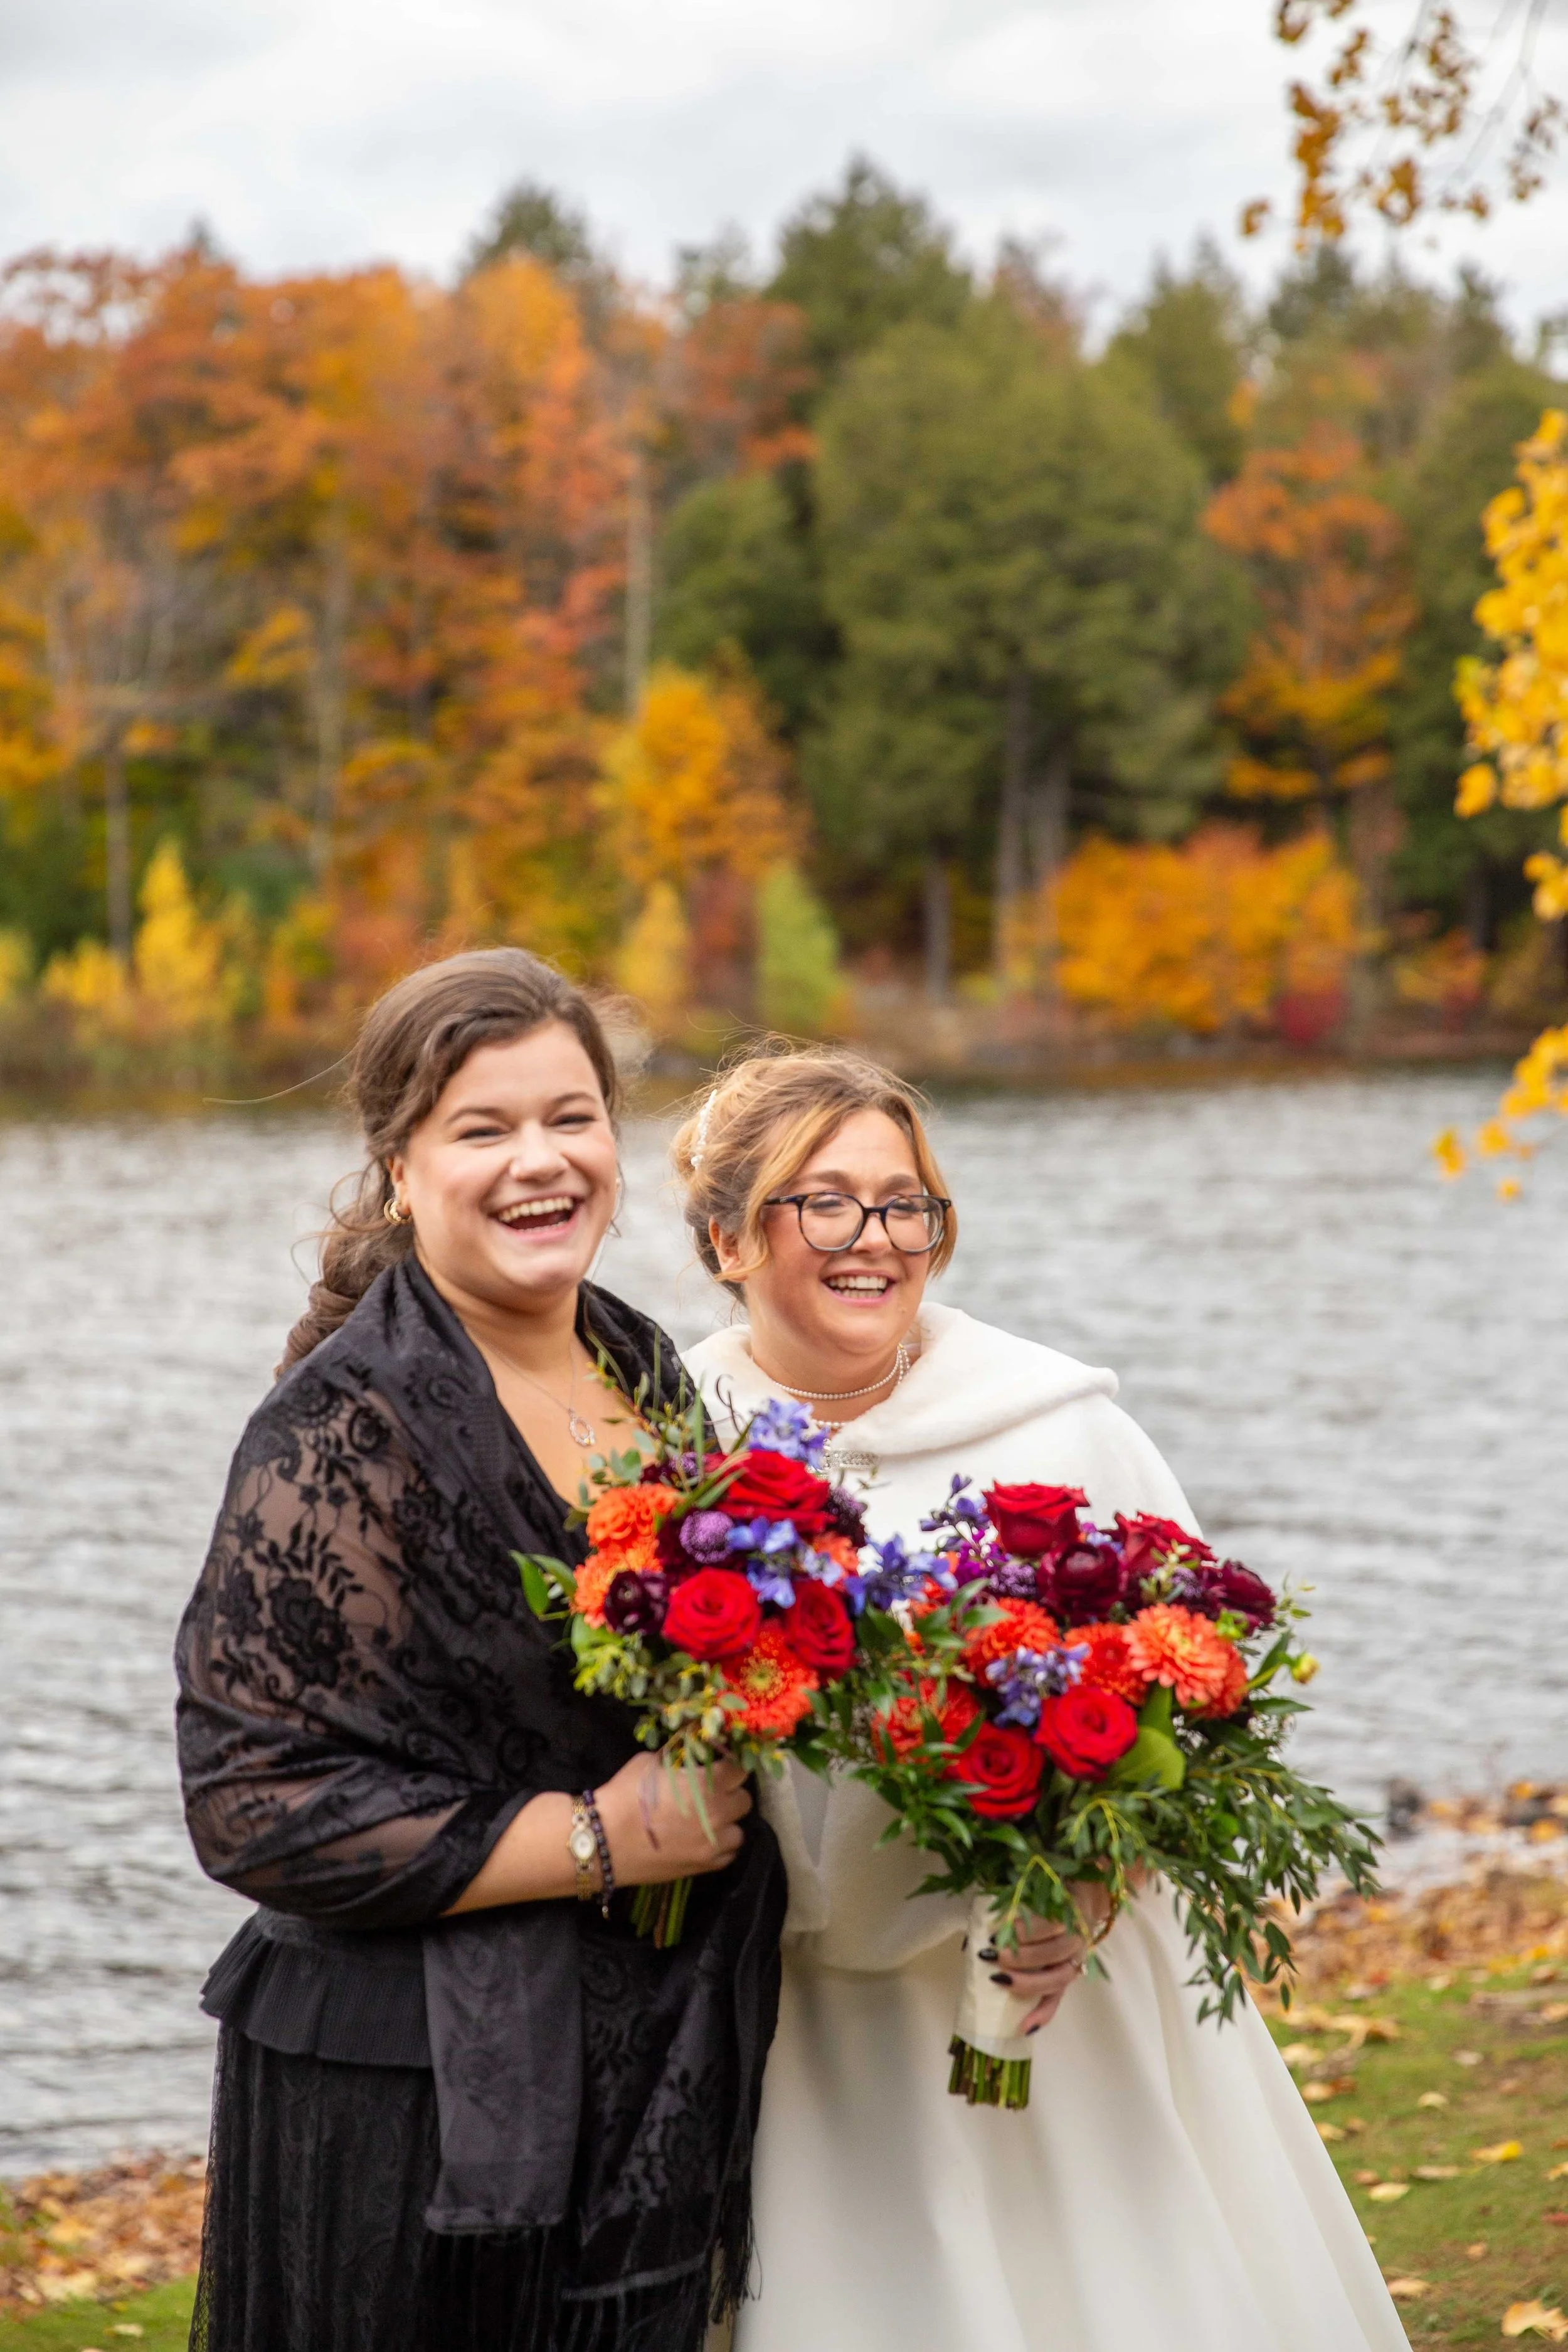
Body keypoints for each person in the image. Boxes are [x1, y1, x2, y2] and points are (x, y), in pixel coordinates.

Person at [672, 1046, 1410, 2352]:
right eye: (824, 1201)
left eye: (907, 1204)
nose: (875, 1240)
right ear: (726, 1235)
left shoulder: (1056, 1427)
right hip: (798, 2037)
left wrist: (1081, 1891)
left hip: (1046, 2011)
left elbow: (1200, 1708)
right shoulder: (661, 1443)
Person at [175, 950, 785, 2352]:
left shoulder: (643, 1369)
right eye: (482, 1128)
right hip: (412, 2097)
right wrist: (596, 1838)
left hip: (634, 2063)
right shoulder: (350, 1427)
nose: (540, 1162)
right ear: (400, 1167)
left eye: (570, 1118)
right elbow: (248, 1806)